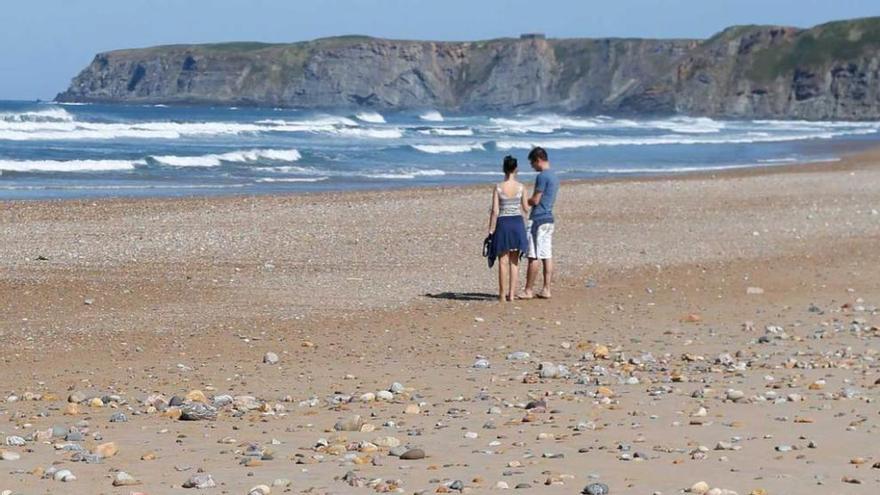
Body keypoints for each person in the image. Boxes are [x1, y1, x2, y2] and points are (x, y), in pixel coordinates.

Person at [487, 155, 530, 302]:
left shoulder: (498, 187)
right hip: (517, 223)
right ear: (516, 169)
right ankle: (512, 294)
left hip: (503, 224)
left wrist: (490, 230)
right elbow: (525, 208)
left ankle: (502, 294)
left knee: (503, 261)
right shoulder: (521, 187)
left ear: (503, 169)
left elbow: (495, 211)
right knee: (515, 261)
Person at [519, 146, 559, 299]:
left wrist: (525, 201)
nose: (532, 167)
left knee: (533, 255)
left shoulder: (542, 177)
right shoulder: (554, 177)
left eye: (532, 163)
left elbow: (536, 199)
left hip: (539, 218)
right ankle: (546, 288)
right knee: (546, 255)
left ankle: (528, 290)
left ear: (538, 160)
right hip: (549, 217)